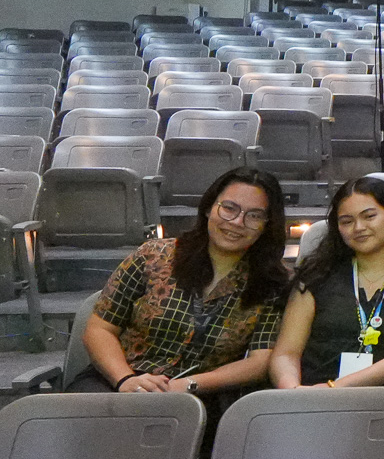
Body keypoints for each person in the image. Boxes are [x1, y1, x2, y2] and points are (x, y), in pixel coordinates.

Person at [83, 168, 288, 408]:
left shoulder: (273, 282)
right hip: (118, 379)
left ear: (267, 225)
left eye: (254, 215)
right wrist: (126, 379)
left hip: (200, 394)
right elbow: (99, 329)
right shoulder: (153, 255)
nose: (237, 222)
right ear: (209, 208)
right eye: (229, 208)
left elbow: (260, 362)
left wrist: (186, 385)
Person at [269, 177, 384, 389]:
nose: (358, 227)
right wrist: (294, 391)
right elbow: (286, 353)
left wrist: (336, 388)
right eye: (347, 221)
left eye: (369, 216)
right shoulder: (317, 275)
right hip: (310, 396)